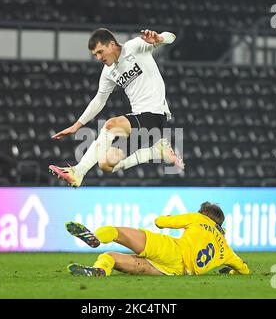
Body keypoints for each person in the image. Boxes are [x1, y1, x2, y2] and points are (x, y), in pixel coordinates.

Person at [49, 28, 184, 187]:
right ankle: (154, 152)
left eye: (100, 51)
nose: (99, 57)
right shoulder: (108, 72)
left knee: (111, 125)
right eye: (95, 55)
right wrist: (76, 126)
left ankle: (78, 172)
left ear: (112, 44)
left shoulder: (134, 47)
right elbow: (99, 100)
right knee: (105, 163)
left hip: (155, 114)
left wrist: (159, 38)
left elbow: (172, 37)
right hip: (139, 119)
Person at [65, 202, 250, 276]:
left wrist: (163, 219)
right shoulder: (226, 248)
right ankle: (101, 271)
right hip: (176, 272)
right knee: (112, 258)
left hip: (173, 250)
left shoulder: (199, 218)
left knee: (117, 233)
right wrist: (231, 272)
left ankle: (96, 238)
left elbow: (160, 222)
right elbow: (243, 268)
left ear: (203, 213)